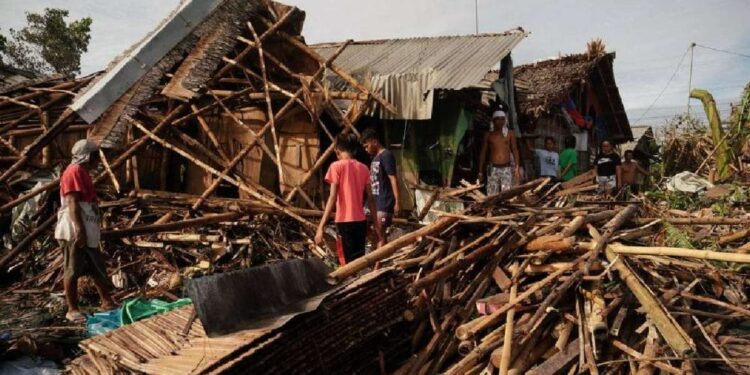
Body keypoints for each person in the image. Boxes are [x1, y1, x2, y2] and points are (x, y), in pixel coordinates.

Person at [54, 139, 116, 322]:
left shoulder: (83, 172)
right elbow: (73, 202)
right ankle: (72, 309)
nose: (98, 159)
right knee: (72, 269)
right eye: (96, 156)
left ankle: (107, 301)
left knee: (97, 266)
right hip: (74, 228)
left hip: (87, 229)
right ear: (87, 156)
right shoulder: (73, 172)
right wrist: (79, 229)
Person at [316, 133, 382, 265]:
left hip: (344, 223)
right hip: (360, 222)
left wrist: (320, 227)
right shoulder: (363, 168)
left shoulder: (336, 167)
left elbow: (332, 197)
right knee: (358, 262)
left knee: (346, 264)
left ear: (337, 151)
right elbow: (371, 199)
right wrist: (377, 226)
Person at [361, 128, 400, 248]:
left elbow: (393, 178)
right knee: (363, 225)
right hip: (373, 202)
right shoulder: (375, 158)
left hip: (384, 201)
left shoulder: (386, 155)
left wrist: (397, 202)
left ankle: (378, 264)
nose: (366, 149)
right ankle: (380, 251)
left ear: (374, 141)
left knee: (380, 233)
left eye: (367, 145)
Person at [478, 110, 521, 195]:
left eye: (502, 119)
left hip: (506, 167)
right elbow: (483, 153)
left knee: (506, 192)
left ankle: (504, 208)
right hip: (491, 167)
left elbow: (515, 149)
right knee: (491, 192)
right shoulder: (488, 134)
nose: (500, 121)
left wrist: (517, 167)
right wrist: (480, 171)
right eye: (497, 119)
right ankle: (492, 208)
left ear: (505, 120)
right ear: (493, 121)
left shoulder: (509, 133)